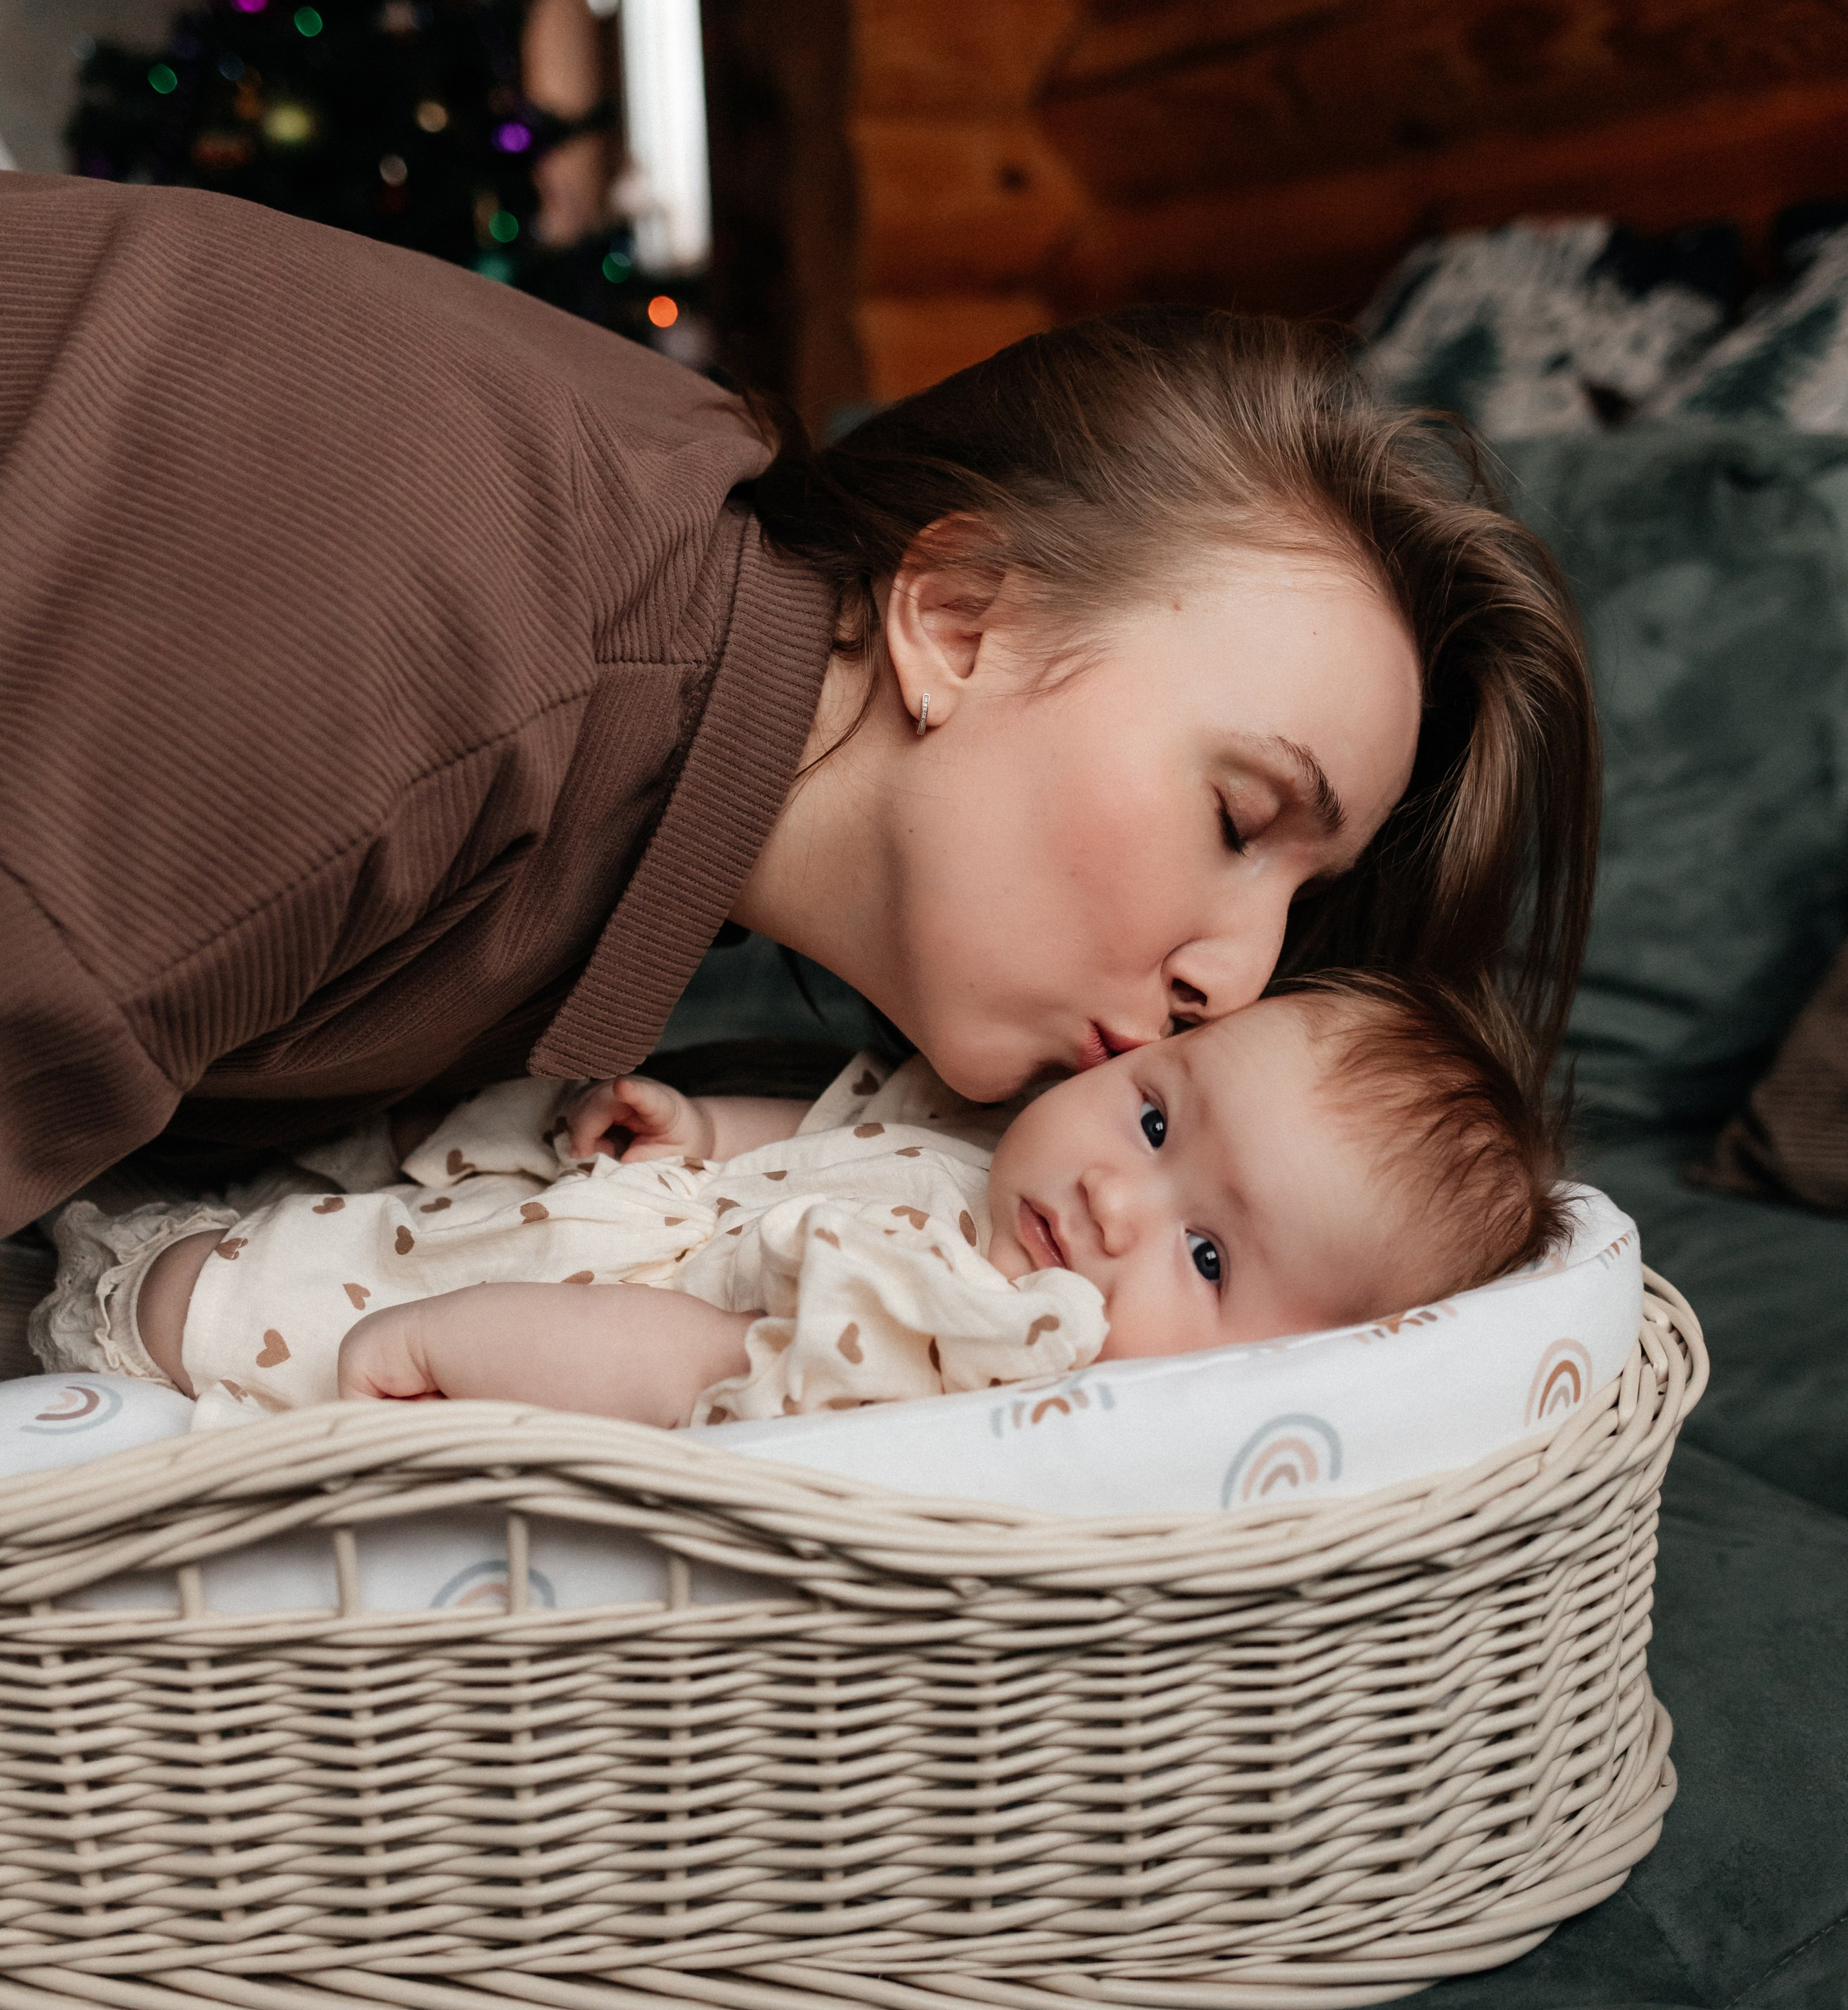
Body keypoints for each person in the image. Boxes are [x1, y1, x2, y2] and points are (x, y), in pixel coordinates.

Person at [0, 178, 1597, 1239]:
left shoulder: (668, 686)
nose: (1235, 976)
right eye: (1238, 818)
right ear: (953, 617)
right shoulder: (461, 654)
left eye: (1295, 898)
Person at [34, 976, 1567, 1431]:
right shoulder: (980, 1136)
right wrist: (700, 1122)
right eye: (1157, 1114)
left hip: (411, 1352)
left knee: (193, 1315)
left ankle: (131, 1346)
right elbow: (840, 1129)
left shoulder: (988, 1344)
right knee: (188, 1189)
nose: (1111, 1195)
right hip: (445, 1231)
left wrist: (450, 1351)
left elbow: (696, 1371)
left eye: (1209, 1251)